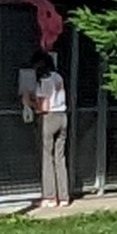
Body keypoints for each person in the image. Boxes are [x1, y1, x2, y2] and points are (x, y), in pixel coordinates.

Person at [24, 55, 72, 207]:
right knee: (60, 157)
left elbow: (43, 107)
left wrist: (28, 101)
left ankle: (50, 196)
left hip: (49, 118)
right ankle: (64, 196)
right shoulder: (58, 77)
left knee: (47, 157)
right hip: (62, 116)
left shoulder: (44, 81)